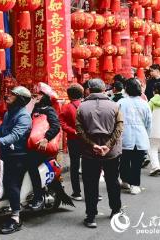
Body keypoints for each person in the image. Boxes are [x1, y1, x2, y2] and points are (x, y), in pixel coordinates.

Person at [76, 78, 123, 228]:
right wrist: (108, 145)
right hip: (111, 152)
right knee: (113, 181)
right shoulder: (114, 106)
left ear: (89, 90)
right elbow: (119, 128)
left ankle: (91, 216)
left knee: (90, 183)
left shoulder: (82, 107)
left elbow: (79, 130)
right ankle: (115, 210)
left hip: (90, 151)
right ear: (104, 90)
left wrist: (93, 145)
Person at [0, 86, 32, 234]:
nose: (7, 96)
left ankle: (16, 217)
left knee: (10, 183)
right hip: (6, 153)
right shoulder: (9, 113)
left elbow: (15, 135)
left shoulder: (23, 116)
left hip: (18, 155)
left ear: (20, 99)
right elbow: (1, 130)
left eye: (12, 95)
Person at [27, 82, 61, 210]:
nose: (37, 96)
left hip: (42, 148)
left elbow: (56, 126)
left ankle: (38, 196)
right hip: (32, 145)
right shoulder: (35, 108)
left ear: (46, 96)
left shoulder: (49, 110)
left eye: (40, 94)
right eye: (37, 94)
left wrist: (46, 138)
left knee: (30, 165)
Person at [118, 78, 152, 195]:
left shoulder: (121, 103)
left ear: (126, 89)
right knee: (137, 163)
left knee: (124, 160)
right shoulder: (144, 104)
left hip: (124, 135)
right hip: (140, 136)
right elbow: (149, 122)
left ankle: (125, 180)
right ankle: (135, 185)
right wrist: (147, 134)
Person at [59, 83, 83, 200]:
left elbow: (62, 123)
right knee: (89, 165)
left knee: (74, 165)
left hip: (74, 140)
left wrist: (73, 131)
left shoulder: (66, 107)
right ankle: (94, 192)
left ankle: (77, 193)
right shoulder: (86, 105)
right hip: (87, 140)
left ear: (69, 96)